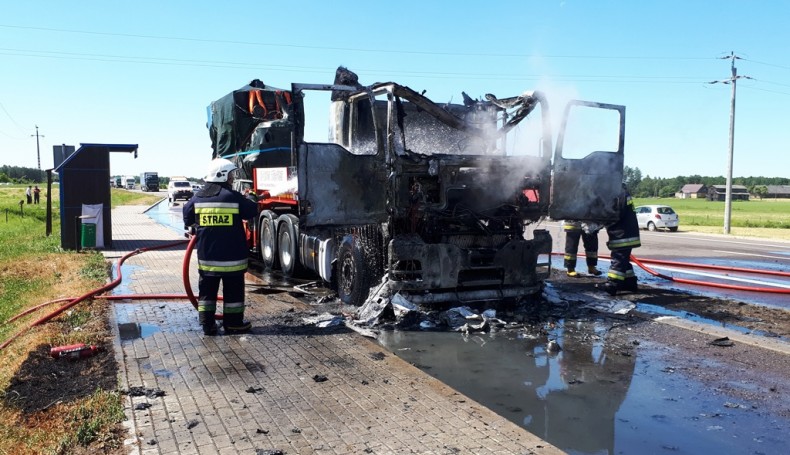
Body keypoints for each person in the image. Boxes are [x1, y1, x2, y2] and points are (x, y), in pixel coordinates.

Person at [183, 158, 258, 335]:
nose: (232, 178)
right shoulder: (232, 196)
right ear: (223, 175)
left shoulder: (198, 197)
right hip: (232, 259)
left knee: (206, 293)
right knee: (233, 294)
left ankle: (207, 325)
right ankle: (233, 324)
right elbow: (251, 210)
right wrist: (252, 198)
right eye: (231, 175)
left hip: (208, 258)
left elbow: (187, 216)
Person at [599, 184, 641, 295]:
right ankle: (630, 282)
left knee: (618, 258)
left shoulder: (618, 194)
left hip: (622, 235)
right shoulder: (622, 192)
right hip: (627, 232)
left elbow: (615, 213)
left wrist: (600, 221)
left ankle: (612, 284)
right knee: (624, 260)